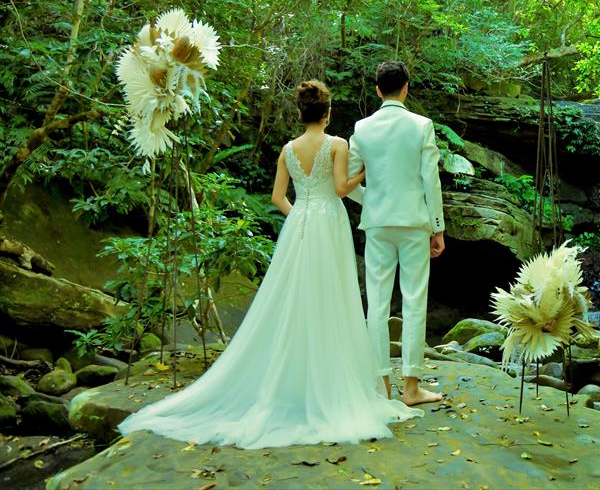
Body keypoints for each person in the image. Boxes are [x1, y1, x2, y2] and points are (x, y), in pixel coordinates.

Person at [118, 80, 422, 449]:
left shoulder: (288, 149)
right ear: (326, 113)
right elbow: (342, 189)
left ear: (302, 113)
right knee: (334, 297)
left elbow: (278, 197)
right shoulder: (337, 144)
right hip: (330, 221)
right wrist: (365, 173)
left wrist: (301, 217)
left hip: (301, 225)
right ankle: (331, 381)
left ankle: (296, 378)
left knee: (294, 300)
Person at [348, 61, 445, 406]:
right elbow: (429, 180)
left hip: (377, 222)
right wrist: (438, 227)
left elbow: (345, 182)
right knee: (414, 300)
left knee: (376, 302)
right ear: (406, 88)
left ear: (378, 90)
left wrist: (370, 199)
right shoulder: (422, 126)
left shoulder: (361, 128)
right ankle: (412, 387)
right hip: (415, 222)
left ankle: (381, 387)